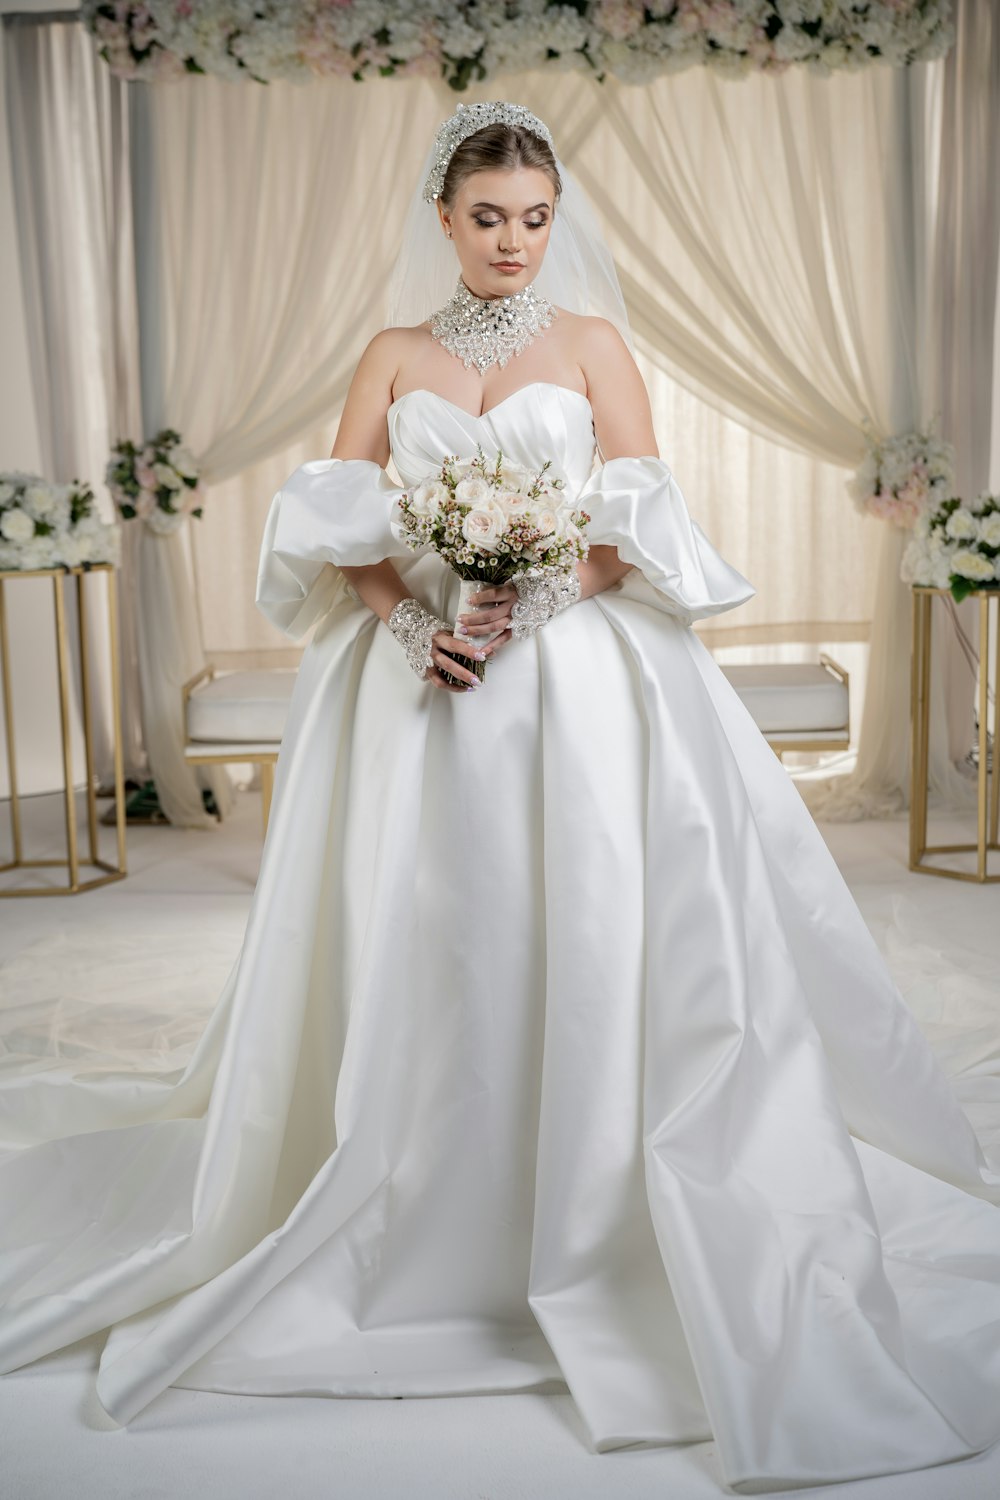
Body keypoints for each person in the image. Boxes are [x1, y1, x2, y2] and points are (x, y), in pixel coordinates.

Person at [1, 100, 999, 1497]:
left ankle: (591, 1194)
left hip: (574, 682)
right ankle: (414, 1187)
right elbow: (344, 519)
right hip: (417, 685)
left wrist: (534, 595)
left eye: (534, 217)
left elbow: (638, 516)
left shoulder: (593, 344)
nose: (515, 241)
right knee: (427, 932)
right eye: (488, 217)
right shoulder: (392, 354)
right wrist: (414, 628)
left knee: (578, 924)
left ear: (555, 219)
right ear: (444, 218)